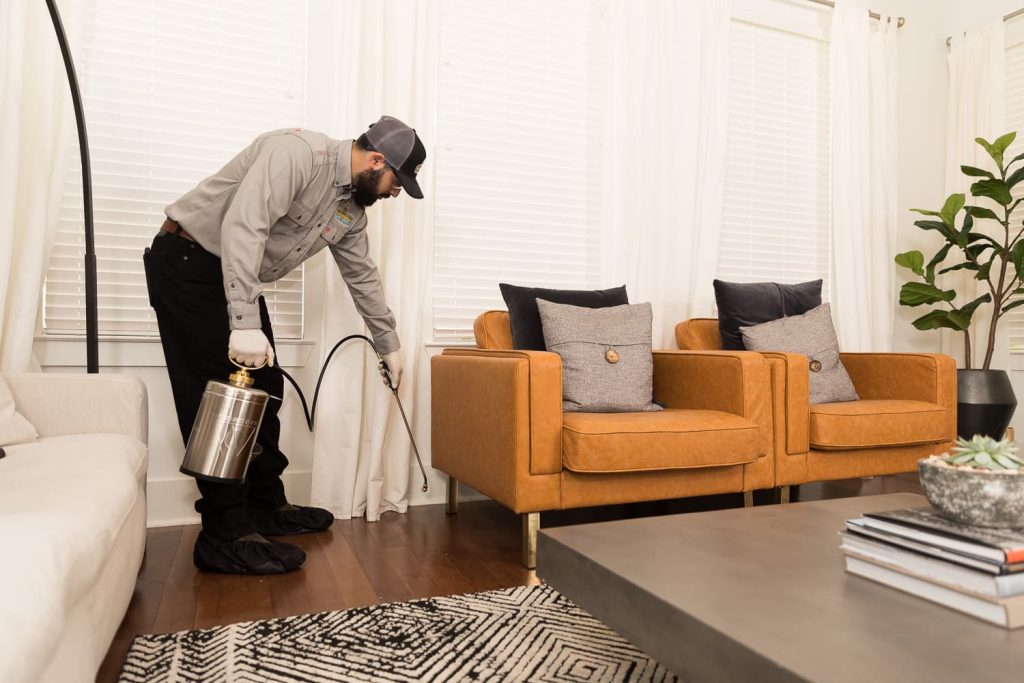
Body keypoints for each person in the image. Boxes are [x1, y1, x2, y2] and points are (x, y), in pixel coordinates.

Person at [143, 116, 426, 574]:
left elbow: (361, 275)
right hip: (189, 261)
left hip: (232, 274)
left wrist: (388, 341)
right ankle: (223, 533)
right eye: (398, 180)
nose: (397, 192)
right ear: (377, 160)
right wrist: (243, 320)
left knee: (266, 388)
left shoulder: (350, 210)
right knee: (222, 400)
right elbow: (243, 227)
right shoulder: (296, 155)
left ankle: (263, 506)